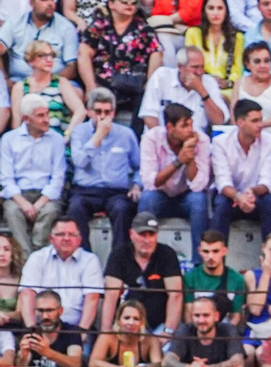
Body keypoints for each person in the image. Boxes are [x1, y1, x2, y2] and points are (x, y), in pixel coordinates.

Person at [136, 104, 210, 263]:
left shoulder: (201, 140)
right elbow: (150, 182)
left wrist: (189, 155)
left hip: (186, 196)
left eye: (191, 124)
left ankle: (199, 264)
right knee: (147, 199)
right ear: (170, 127)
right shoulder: (151, 138)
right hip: (160, 195)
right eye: (184, 125)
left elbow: (198, 185)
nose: (190, 130)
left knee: (199, 200)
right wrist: (178, 161)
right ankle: (144, 259)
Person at [64, 90, 137, 251]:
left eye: (107, 112)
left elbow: (139, 166)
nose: (102, 117)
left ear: (114, 112)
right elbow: (79, 161)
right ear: (89, 112)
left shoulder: (126, 134)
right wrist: (98, 136)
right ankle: (83, 258)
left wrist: (137, 184)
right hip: (86, 190)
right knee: (75, 208)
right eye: (98, 112)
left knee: (123, 209)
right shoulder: (79, 132)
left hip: (115, 191)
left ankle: (119, 262)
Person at [0, 94, 65, 260]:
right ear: (26, 119)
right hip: (19, 195)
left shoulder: (56, 139)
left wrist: (37, 206)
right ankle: (25, 259)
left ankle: (37, 257)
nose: (46, 120)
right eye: (40, 115)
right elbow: (6, 178)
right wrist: (23, 203)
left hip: (46, 196)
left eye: (47, 114)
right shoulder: (9, 139)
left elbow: (58, 178)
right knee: (12, 211)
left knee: (50, 211)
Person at [211, 98, 271, 242]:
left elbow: (268, 180)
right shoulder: (221, 143)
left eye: (261, 120)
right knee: (221, 203)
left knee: (269, 202)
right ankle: (217, 258)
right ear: (240, 123)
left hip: (257, 196)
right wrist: (238, 197)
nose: (260, 125)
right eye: (255, 121)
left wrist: (252, 192)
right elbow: (222, 181)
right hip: (231, 198)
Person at [102, 214, 183, 335]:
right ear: (131, 234)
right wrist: (106, 331)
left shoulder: (167, 254)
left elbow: (175, 295)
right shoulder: (119, 254)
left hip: (160, 326)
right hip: (125, 325)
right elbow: (111, 295)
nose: (147, 240)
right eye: (142, 235)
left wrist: (168, 331)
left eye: (151, 235)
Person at [19, 218, 101, 331]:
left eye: (71, 234)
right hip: (42, 328)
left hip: (75, 329)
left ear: (79, 239)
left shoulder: (90, 260)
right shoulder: (37, 258)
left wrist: (82, 332)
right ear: (51, 238)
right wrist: (32, 330)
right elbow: (27, 294)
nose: (66, 238)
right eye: (61, 234)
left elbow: (92, 298)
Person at [138, 46, 230, 133]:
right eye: (195, 67)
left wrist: (202, 91)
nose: (200, 72)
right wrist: (164, 143)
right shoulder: (161, 76)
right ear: (180, 66)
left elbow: (219, 121)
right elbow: (149, 116)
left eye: (202, 67)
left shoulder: (209, 82)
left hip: (196, 142)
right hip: (162, 140)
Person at [0, 0, 78, 87]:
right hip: (19, 83)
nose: (50, 4)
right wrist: (5, 80)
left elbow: (72, 68)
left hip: (56, 84)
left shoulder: (66, 27)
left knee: (75, 91)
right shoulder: (15, 23)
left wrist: (44, 83)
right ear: (31, 3)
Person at [13, 40, 83, 137]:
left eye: (51, 55)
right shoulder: (20, 87)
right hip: (31, 143)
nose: (49, 59)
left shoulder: (61, 83)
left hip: (58, 141)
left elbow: (80, 111)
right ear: (31, 60)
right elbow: (16, 124)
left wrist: (67, 135)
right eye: (42, 56)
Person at [162, 295, 244, 367]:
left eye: (206, 315)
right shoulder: (185, 329)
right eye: (197, 315)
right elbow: (167, 361)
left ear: (216, 316)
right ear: (191, 316)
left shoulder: (228, 330)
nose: (201, 320)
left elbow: (237, 362)